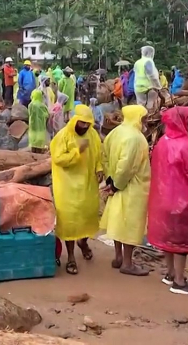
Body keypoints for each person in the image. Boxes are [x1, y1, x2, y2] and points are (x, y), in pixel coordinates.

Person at [148, 106, 188, 295]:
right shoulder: (186, 145)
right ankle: (179, 281)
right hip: (182, 199)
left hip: (163, 198)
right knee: (182, 243)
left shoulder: (162, 142)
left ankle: (170, 273)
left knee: (169, 238)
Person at [51, 105, 103, 275]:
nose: (85, 127)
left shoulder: (93, 135)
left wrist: (99, 168)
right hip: (67, 186)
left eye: (88, 124)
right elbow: (58, 159)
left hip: (88, 184)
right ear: (74, 120)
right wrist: (77, 152)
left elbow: (98, 153)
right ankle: (71, 257)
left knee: (88, 216)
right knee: (70, 222)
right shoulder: (63, 136)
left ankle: (83, 242)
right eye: (82, 123)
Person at [100, 105, 151, 277]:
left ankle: (118, 257)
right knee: (130, 224)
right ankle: (128, 263)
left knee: (118, 221)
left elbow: (104, 155)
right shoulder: (135, 138)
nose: (145, 121)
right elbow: (127, 166)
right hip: (132, 186)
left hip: (116, 183)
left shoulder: (116, 132)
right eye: (143, 118)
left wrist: (110, 180)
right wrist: (117, 184)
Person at [134, 46, 162, 110]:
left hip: (137, 88)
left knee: (140, 106)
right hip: (147, 88)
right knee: (150, 105)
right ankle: (150, 117)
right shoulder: (148, 61)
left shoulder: (137, 62)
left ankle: (140, 118)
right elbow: (152, 76)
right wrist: (158, 87)